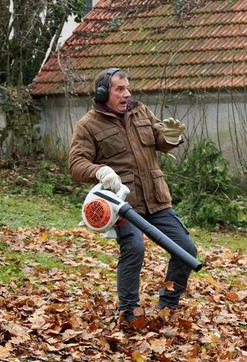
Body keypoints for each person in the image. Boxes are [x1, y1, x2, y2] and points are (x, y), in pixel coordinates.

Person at [68, 67, 198, 329]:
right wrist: (99, 170)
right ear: (104, 93)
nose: (127, 94)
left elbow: (159, 141)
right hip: (124, 205)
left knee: (186, 250)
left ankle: (168, 304)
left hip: (156, 199)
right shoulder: (88, 125)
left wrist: (171, 137)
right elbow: (75, 164)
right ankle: (129, 310)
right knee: (134, 249)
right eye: (120, 89)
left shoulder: (140, 111)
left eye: (128, 88)